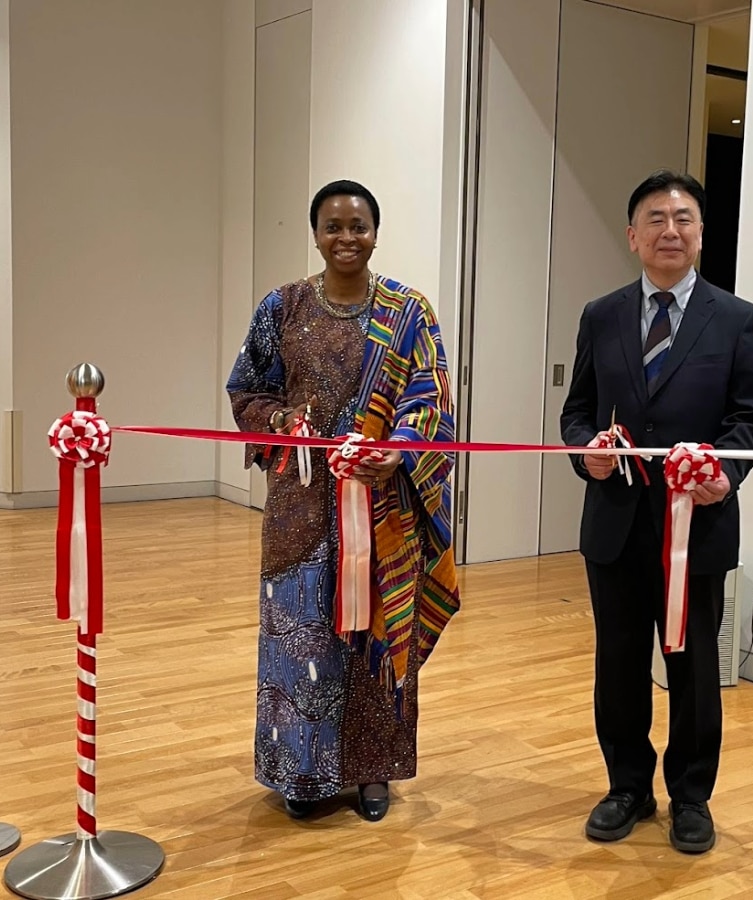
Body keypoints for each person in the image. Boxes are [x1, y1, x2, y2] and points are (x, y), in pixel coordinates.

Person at [226, 179, 458, 823]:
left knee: (375, 637)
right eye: (333, 226)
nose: (346, 238)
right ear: (316, 233)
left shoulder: (409, 312)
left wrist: (400, 450)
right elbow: (246, 388)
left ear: (375, 233)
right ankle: (303, 776)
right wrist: (282, 421)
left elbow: (432, 398)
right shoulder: (283, 307)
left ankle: (373, 772)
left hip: (384, 509)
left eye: (358, 226)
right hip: (299, 508)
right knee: (299, 638)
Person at [560, 170, 753, 854]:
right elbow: (577, 413)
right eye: (654, 218)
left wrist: (723, 470)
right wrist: (584, 452)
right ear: (632, 236)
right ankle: (626, 786)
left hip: (698, 526)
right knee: (618, 664)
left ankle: (691, 796)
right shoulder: (600, 314)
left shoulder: (738, 319)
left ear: (701, 234)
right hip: (615, 525)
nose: (669, 231)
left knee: (691, 671)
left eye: (683, 218)